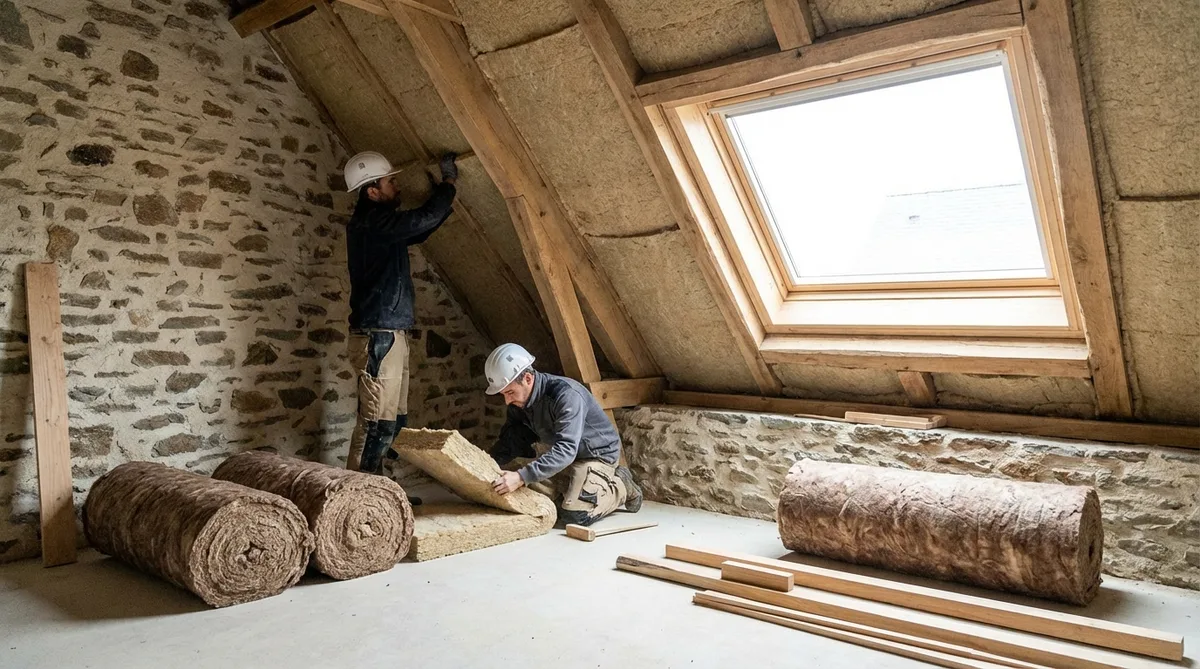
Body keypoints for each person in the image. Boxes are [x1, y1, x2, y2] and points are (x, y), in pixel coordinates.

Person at [342, 150, 458, 475]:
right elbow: (420, 220)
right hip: (379, 336)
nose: (397, 186)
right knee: (374, 422)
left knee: (393, 420)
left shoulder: (381, 226)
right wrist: (448, 184)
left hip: (391, 334)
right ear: (372, 191)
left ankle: (384, 492)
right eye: (390, 181)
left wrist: (441, 202)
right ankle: (358, 497)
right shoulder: (372, 223)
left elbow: (420, 229)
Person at [484, 342, 643, 527]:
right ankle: (568, 489)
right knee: (517, 494)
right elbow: (512, 440)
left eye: (510, 392)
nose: (507, 400)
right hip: (566, 457)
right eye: (503, 394)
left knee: (575, 516)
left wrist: (521, 477)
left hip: (596, 456)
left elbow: (566, 449)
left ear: (527, 378)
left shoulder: (566, 395)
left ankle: (621, 485)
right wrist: (485, 462)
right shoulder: (519, 403)